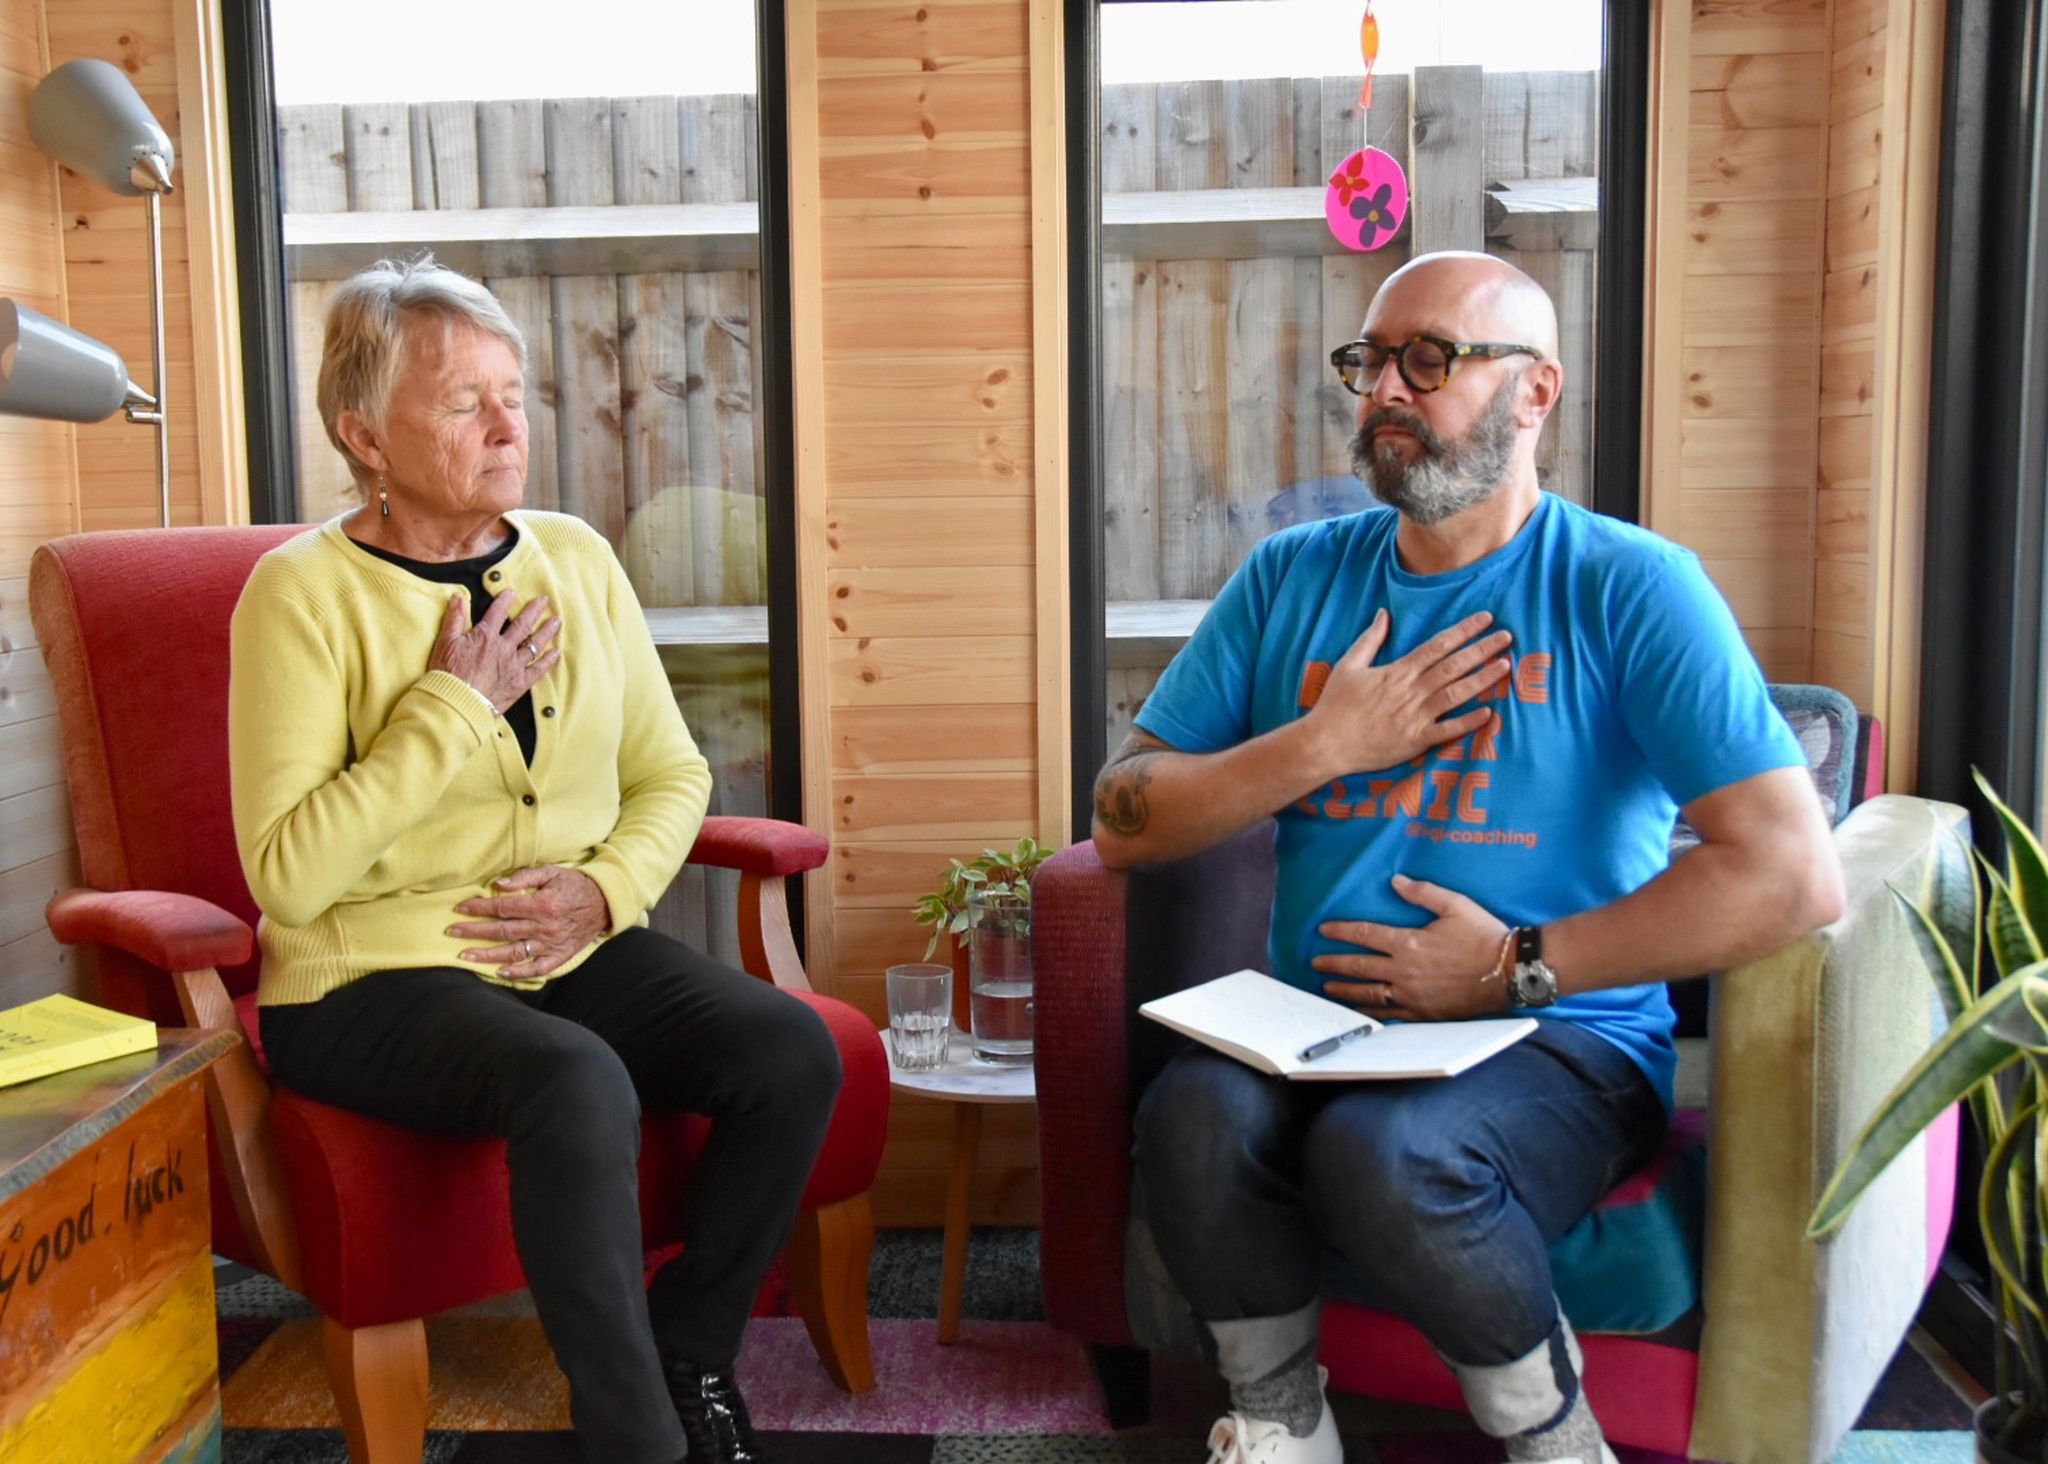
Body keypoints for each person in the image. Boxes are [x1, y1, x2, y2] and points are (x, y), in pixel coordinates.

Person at [1090, 251, 1845, 1464]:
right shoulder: (1290, 577)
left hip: (1560, 1043)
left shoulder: (1631, 588)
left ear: (1534, 391)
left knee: (1389, 1151)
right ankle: (1281, 1423)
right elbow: (1120, 817)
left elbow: (1790, 874)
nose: (1384, 388)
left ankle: (1553, 1438)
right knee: (1189, 1116)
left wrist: (1511, 965)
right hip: (1313, 1030)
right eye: (1368, 360)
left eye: (1427, 359)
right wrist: (1321, 742)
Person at [229, 257, 837, 1464]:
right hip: (366, 976)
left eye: (515, 391)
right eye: (466, 402)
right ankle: (637, 1442)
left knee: (788, 1049)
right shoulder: (295, 595)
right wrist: (451, 712)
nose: (511, 424)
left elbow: (674, 776)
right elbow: (286, 876)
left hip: (562, 940)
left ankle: (690, 1353)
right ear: (364, 433)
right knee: (575, 1081)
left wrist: (604, 890)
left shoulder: (573, 557)